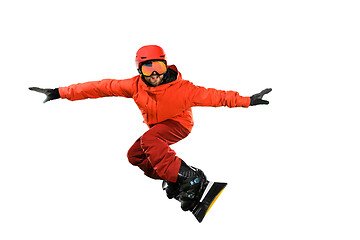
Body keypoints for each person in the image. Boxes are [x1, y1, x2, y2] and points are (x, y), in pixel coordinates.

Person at [29, 45, 271, 213]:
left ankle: (191, 177)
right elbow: (99, 87)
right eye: (147, 68)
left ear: (166, 65)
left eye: (158, 67)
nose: (154, 73)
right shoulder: (133, 86)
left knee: (150, 139)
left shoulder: (183, 89)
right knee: (134, 155)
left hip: (178, 125)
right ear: (139, 70)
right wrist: (60, 92)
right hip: (156, 130)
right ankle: (174, 180)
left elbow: (217, 97)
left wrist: (248, 100)